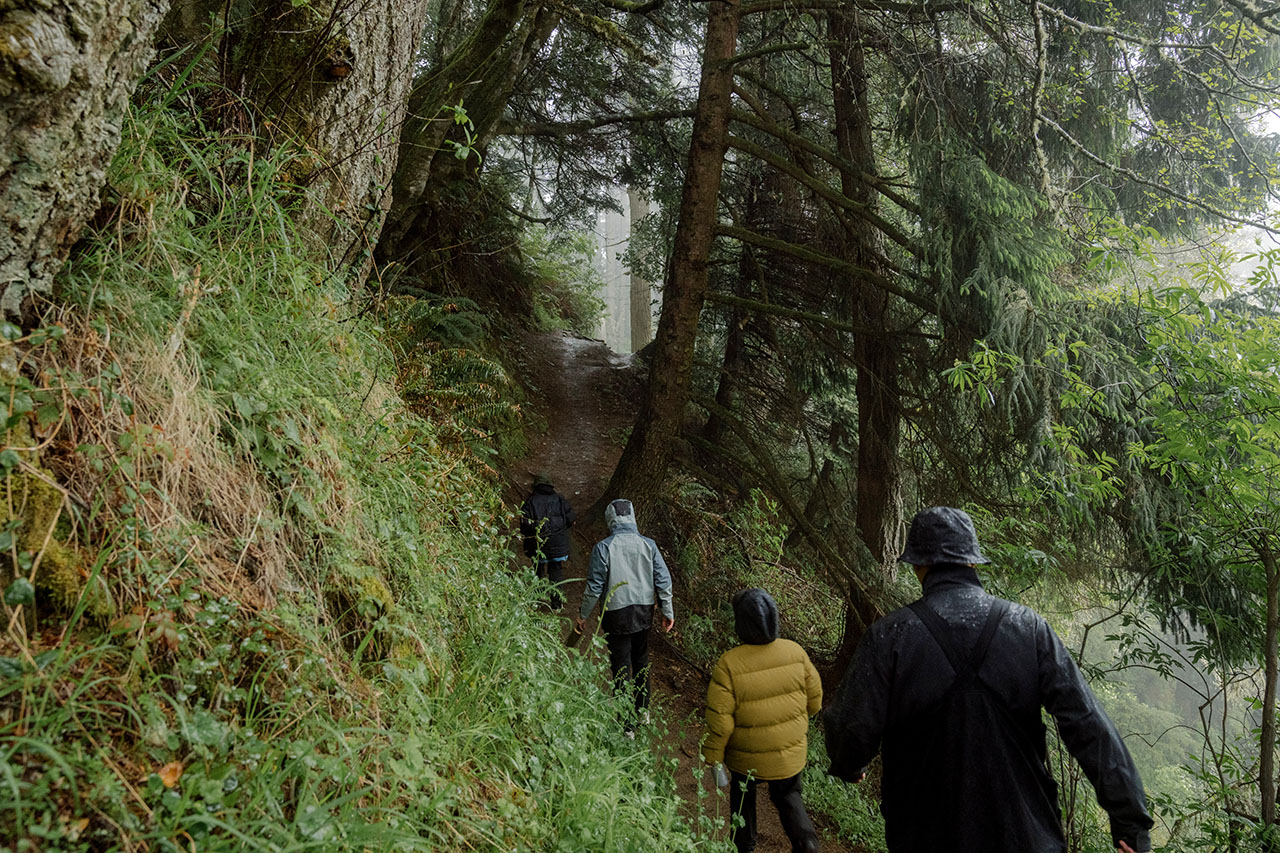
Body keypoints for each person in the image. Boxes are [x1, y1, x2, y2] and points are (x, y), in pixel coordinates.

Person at [823, 506, 1154, 853]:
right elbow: (1088, 726)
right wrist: (1130, 825)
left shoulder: (890, 635)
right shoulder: (1030, 629)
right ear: (973, 563)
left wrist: (850, 763)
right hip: (1026, 837)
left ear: (919, 566)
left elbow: (852, 730)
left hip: (923, 837)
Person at [702, 588, 822, 853]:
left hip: (747, 758)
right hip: (790, 753)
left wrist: (713, 757)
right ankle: (808, 844)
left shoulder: (729, 664)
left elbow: (721, 722)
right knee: (789, 795)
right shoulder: (796, 652)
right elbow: (814, 703)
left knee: (743, 795)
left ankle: (743, 847)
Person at [576, 499, 674, 727]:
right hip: (644, 612)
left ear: (610, 519)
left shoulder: (603, 547)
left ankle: (626, 724)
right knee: (641, 660)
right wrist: (667, 610)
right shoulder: (648, 545)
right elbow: (663, 580)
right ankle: (643, 712)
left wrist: (583, 614)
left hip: (616, 614)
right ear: (632, 517)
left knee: (620, 665)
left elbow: (594, 586)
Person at [519, 473, 575, 608]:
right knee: (556, 572)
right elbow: (571, 519)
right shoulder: (560, 499)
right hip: (558, 545)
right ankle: (557, 604)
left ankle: (535, 602)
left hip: (537, 544)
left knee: (537, 571)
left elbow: (524, 525)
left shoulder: (530, 502)